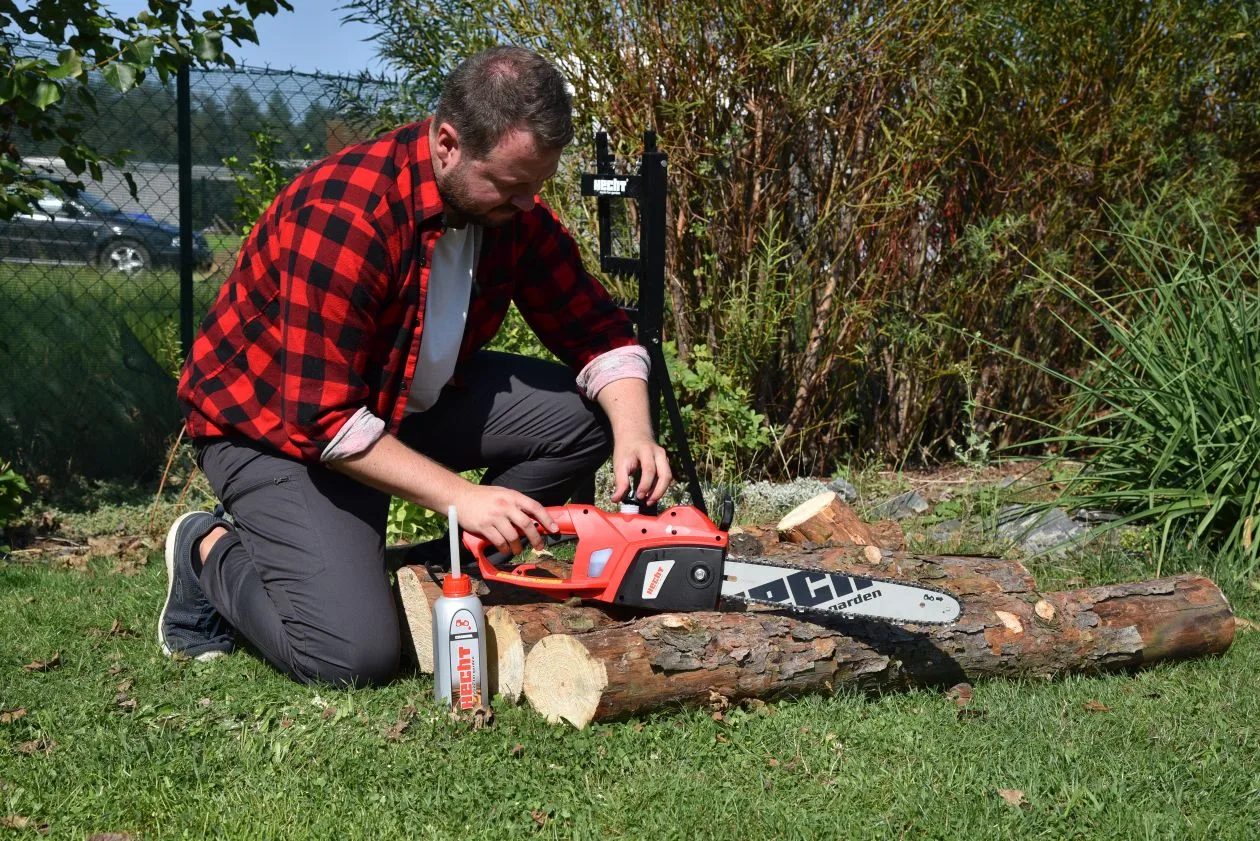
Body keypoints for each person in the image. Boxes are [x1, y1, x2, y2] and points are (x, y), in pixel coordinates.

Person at [159, 46, 672, 686]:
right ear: (449, 143)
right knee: (352, 656)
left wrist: (635, 432)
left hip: (399, 406)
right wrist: (463, 498)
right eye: (512, 186)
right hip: (271, 433)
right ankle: (207, 551)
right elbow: (324, 421)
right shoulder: (345, 214)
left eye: (536, 185)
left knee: (586, 416)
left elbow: (598, 330)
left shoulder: (510, 211)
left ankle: (419, 574)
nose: (527, 204)